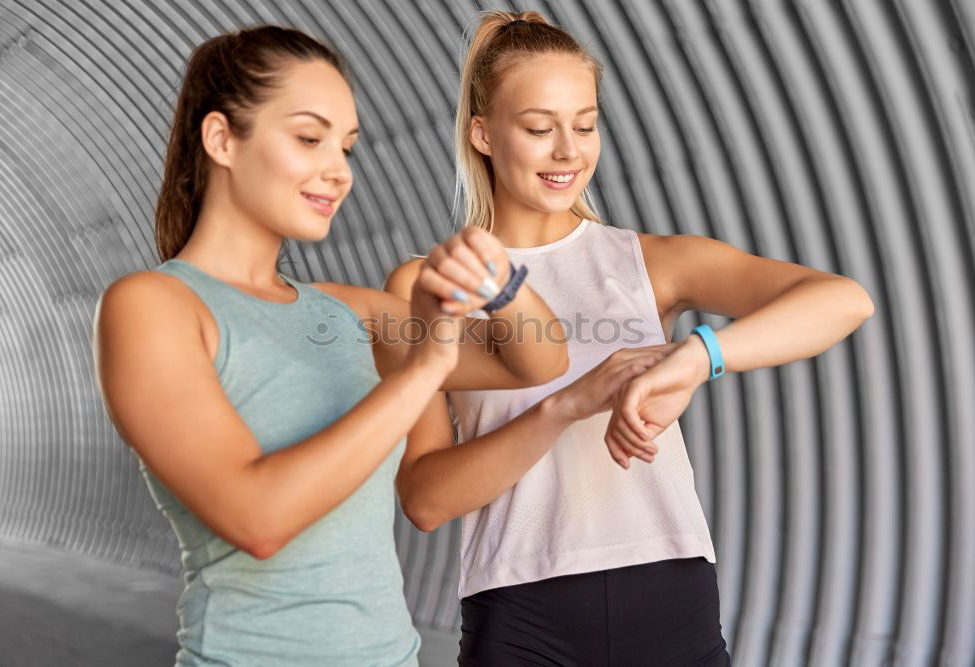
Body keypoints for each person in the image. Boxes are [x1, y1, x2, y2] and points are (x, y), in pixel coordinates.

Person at [385, 10, 875, 665]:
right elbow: (424, 498)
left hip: (671, 592)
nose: (569, 150)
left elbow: (844, 300)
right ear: (482, 133)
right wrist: (565, 406)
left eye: (585, 124)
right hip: (520, 613)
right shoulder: (430, 281)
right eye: (539, 127)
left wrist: (697, 357)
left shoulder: (651, 261)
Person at [92, 25, 569, 666]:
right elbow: (258, 519)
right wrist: (425, 363)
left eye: (346, 147)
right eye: (310, 138)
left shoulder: (343, 312)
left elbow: (537, 363)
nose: (339, 172)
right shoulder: (153, 308)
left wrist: (496, 278)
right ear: (221, 139)